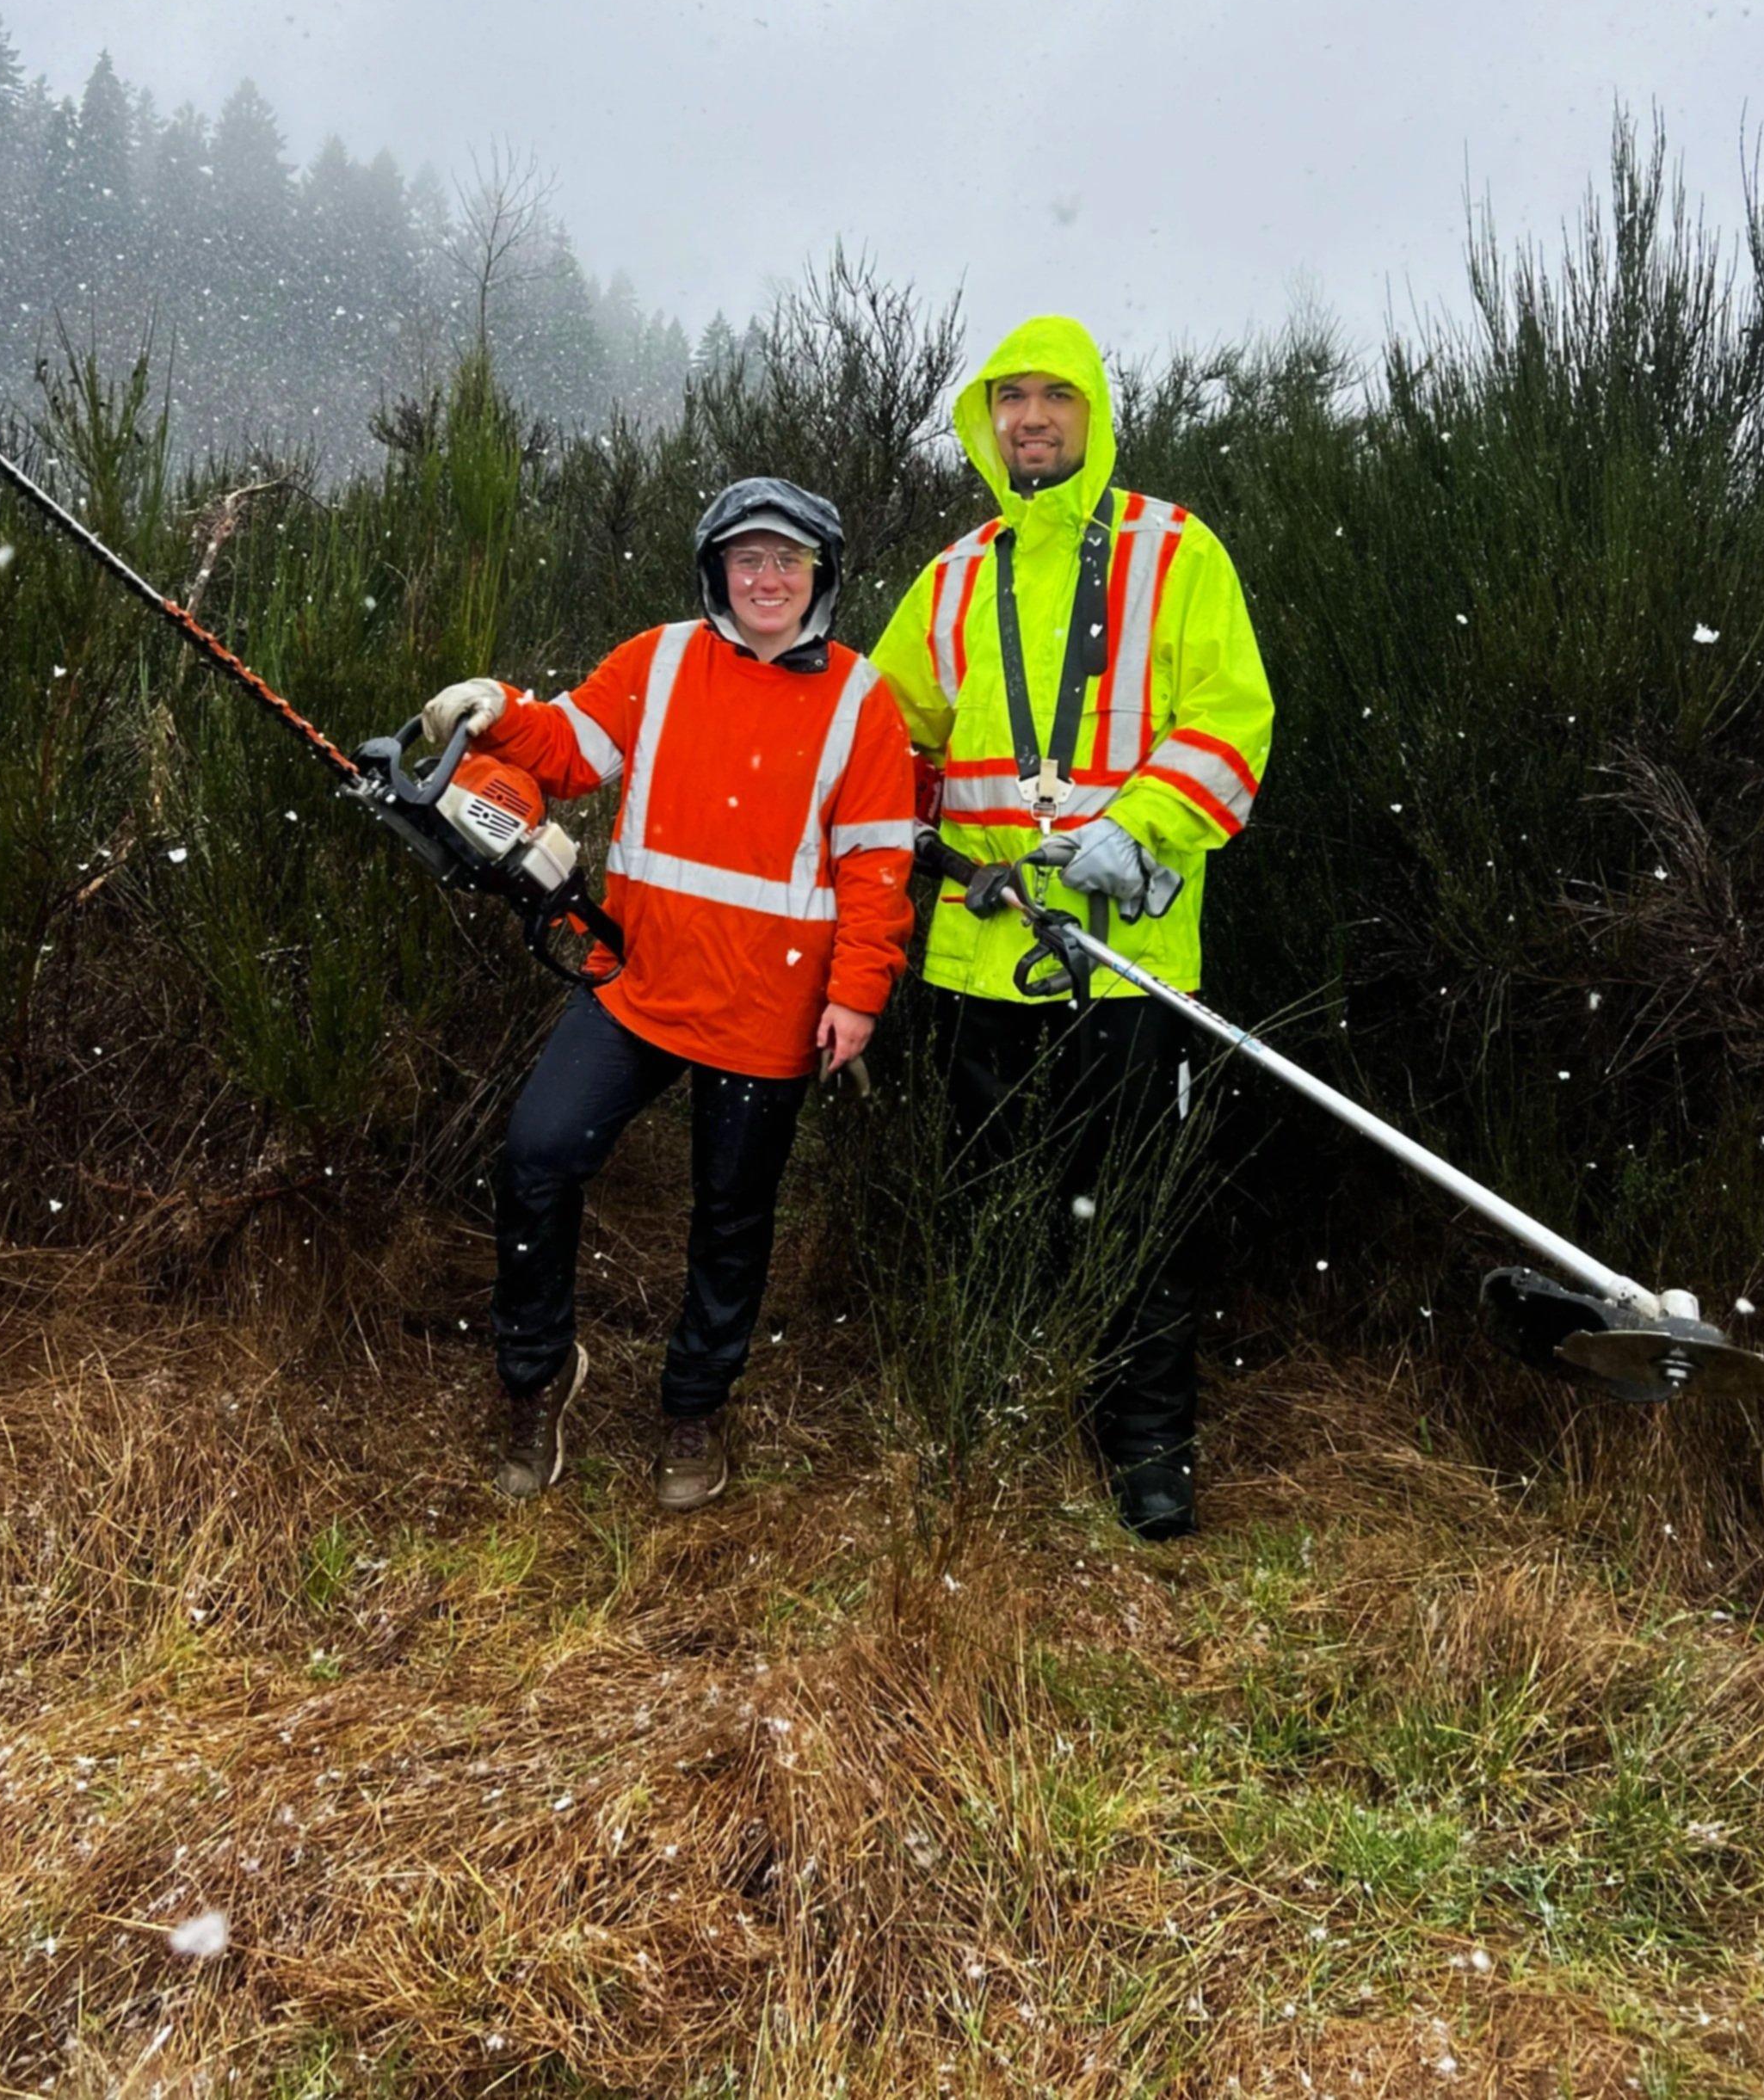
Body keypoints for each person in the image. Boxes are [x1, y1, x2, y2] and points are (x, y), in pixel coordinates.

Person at [420, 477, 916, 1511]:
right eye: (748, 559)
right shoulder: (658, 660)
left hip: (770, 1009)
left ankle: (694, 1407)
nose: (767, 578)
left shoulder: (864, 700)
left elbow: (876, 863)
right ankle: (535, 1377)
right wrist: (498, 710)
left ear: (819, 574)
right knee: (538, 1157)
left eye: (788, 559)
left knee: (731, 1217)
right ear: (716, 572)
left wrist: (857, 992)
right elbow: (568, 750)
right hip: (635, 983)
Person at [871, 317, 1273, 1539]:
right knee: (991, 1198)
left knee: (1133, 1214)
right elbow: (888, 739)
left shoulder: (1175, 550)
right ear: (987, 423)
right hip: (982, 956)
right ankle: (997, 1409)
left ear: (1093, 412)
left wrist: (1142, 827)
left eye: (1054, 396)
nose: (1031, 417)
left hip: (1127, 964)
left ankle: (1147, 1444)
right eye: (1011, 399)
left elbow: (1232, 717)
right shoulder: (951, 578)